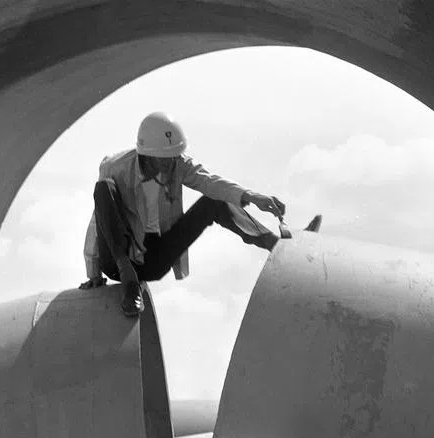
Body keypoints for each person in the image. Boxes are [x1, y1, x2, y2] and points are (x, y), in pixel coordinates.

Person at [79, 111, 321, 317]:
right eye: (163, 159)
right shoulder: (116, 167)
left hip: (152, 259)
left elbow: (210, 181)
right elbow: (98, 219)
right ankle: (129, 283)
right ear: (146, 153)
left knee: (212, 202)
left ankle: (278, 247)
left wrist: (251, 196)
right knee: (103, 188)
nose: (169, 164)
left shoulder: (178, 164)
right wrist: (93, 272)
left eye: (173, 157)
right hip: (117, 259)